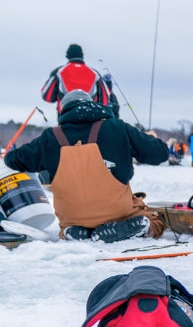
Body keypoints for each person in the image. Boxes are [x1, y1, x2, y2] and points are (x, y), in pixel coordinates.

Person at [4, 90, 168, 242]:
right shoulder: (118, 128)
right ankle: (133, 227)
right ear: (93, 105)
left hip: (73, 217)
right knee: (155, 221)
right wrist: (150, 138)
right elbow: (160, 154)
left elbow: (13, 159)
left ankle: (73, 231)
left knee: (71, 222)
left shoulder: (50, 137)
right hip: (117, 213)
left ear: (64, 110)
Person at [41, 44, 113, 114]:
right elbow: (104, 100)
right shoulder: (95, 73)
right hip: (90, 117)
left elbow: (47, 96)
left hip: (65, 117)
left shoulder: (59, 72)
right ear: (82, 55)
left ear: (67, 56)